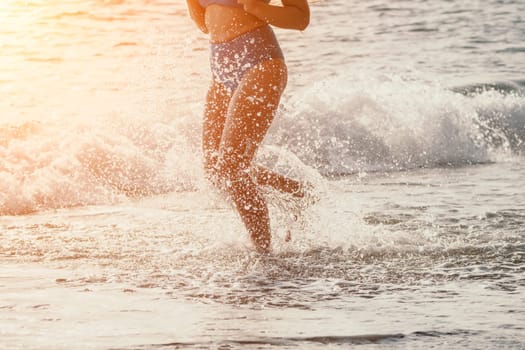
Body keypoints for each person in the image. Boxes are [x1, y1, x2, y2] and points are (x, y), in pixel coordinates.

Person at [186, 0, 310, 253]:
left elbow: (300, 18)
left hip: (260, 60)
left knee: (231, 168)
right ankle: (295, 193)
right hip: (221, 68)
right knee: (215, 169)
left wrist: (257, 8)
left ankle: (264, 254)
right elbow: (203, 24)